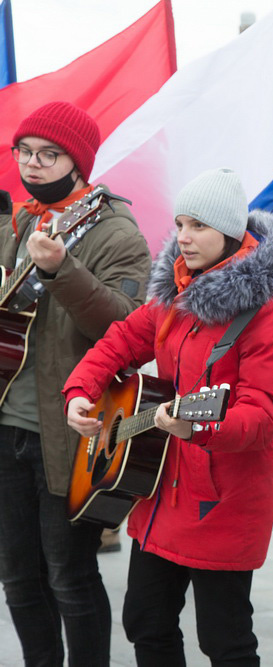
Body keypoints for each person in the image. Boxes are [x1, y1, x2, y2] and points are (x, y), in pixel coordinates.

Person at [63, 168, 273, 665]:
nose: (183, 237)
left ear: (231, 232)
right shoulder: (174, 293)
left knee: (226, 641)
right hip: (157, 492)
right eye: (179, 223)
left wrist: (198, 426)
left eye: (198, 225)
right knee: (145, 624)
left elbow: (263, 416)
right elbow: (119, 340)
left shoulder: (268, 314)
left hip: (222, 502)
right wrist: (80, 392)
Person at [0, 101, 151, 666]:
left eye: (50, 154)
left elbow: (127, 327)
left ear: (79, 162)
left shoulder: (114, 231)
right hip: (8, 424)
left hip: (69, 432)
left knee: (69, 574)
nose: (34, 165)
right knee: (16, 574)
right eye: (25, 152)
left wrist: (62, 269)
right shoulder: (21, 220)